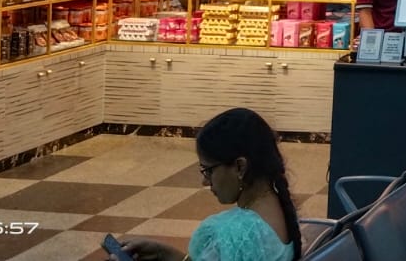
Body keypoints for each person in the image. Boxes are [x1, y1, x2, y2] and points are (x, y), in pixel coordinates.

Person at [114, 107, 302, 261]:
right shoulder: (282, 210)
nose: (204, 181)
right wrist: (165, 254)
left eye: (208, 170)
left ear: (240, 167)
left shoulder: (228, 235)